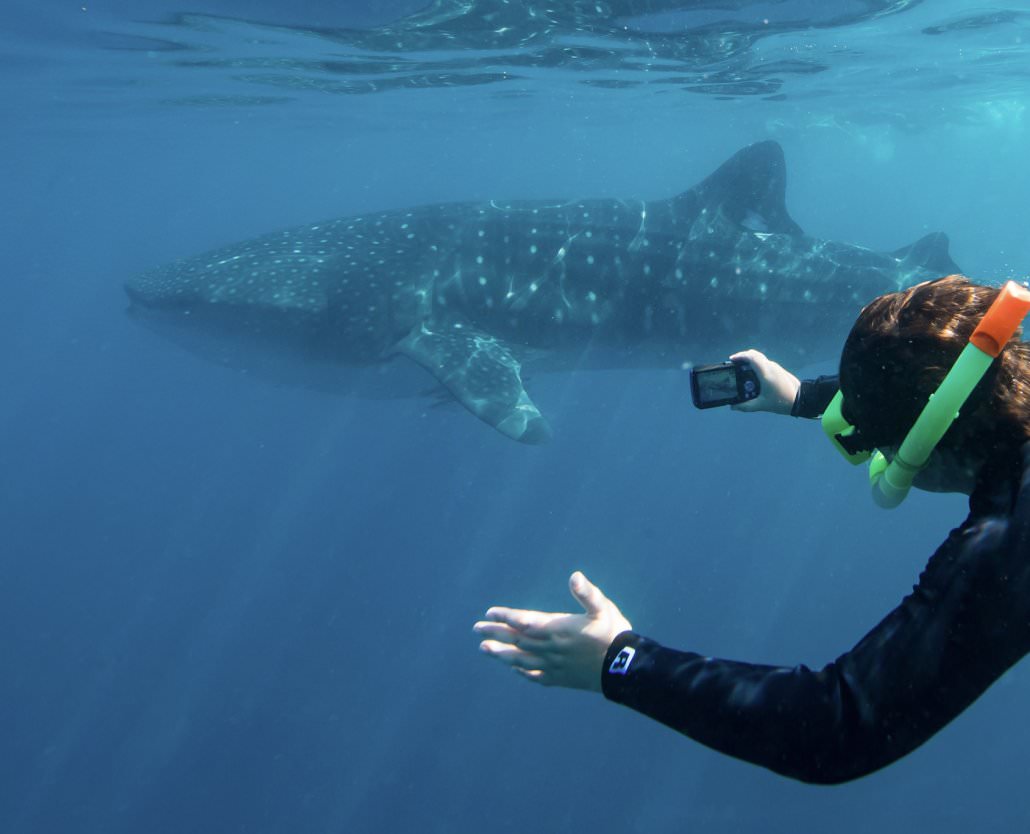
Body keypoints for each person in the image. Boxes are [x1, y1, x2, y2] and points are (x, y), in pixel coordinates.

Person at [473, 274, 1030, 784]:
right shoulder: (1005, 366)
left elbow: (840, 726)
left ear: (922, 441)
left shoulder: (1009, 538)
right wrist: (806, 397)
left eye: (872, 439)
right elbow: (962, 373)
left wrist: (619, 662)